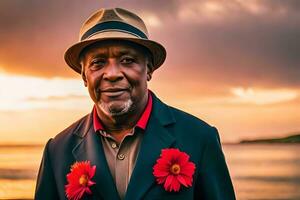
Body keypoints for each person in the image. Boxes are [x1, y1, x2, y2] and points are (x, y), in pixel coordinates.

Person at [35, 7, 235, 200]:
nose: (112, 74)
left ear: (149, 69)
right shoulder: (57, 152)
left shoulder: (199, 138)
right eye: (98, 62)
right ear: (84, 76)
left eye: (127, 60)